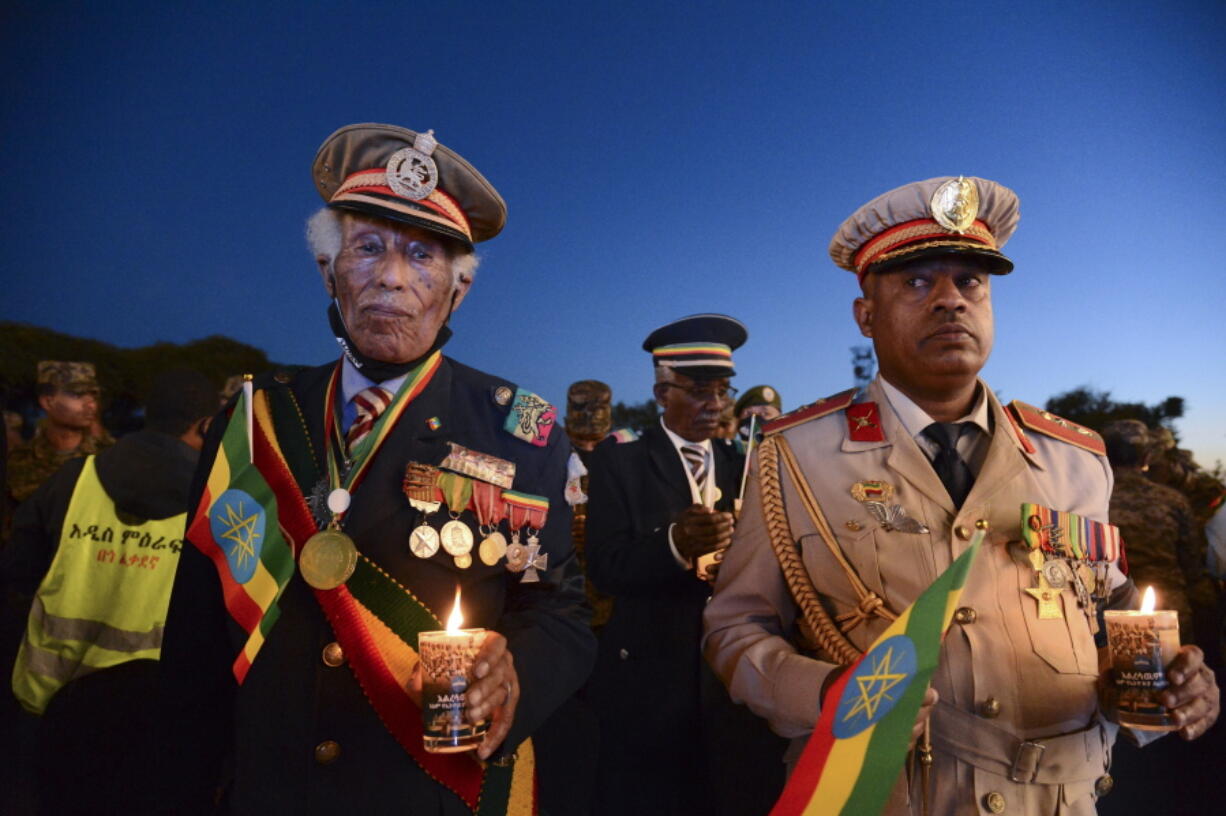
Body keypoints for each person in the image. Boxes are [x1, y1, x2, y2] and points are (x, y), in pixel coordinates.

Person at [703, 176, 1219, 815]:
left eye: (970, 282)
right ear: (867, 315)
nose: (951, 300)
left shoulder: (1074, 459)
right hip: (881, 793)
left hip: (1055, 798)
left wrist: (1164, 681)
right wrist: (824, 692)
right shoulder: (795, 456)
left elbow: (1109, 611)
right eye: (917, 283)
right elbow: (734, 628)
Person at [160, 123, 595, 813]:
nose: (392, 276)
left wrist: (515, 677)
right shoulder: (253, 420)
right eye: (368, 248)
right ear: (328, 271)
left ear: (458, 290)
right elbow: (194, 641)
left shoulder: (524, 434)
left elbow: (560, 611)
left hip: (425, 785)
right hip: (272, 788)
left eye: (421, 255)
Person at [586, 314, 786, 816]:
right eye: (698, 391)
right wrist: (674, 543)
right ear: (661, 393)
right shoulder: (621, 462)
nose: (714, 405)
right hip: (650, 685)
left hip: (733, 682)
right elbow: (604, 566)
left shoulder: (746, 463)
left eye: (721, 391)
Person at [3, 368, 217, 814]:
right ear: (204, 425)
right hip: (151, 726)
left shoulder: (73, 479)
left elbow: (18, 574)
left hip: (46, 707)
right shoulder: (217, 504)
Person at [1101, 420, 1202, 636]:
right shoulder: (1174, 501)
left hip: (1109, 616)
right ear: (1147, 457)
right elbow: (1192, 565)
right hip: (1168, 612)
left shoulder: (1091, 501)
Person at [6, 362, 114, 505]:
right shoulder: (18, 461)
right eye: (78, 395)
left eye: (93, 396)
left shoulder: (111, 457)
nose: (91, 405)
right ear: (48, 402)